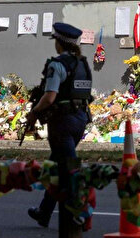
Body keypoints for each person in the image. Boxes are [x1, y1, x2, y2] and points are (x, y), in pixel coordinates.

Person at [26, 22, 93, 227]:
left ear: (59, 43)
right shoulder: (83, 64)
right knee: (57, 166)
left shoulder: (58, 65)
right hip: (80, 120)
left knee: (70, 169)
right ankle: (44, 212)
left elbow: (49, 97)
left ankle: (79, 214)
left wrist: (34, 112)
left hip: (62, 122)